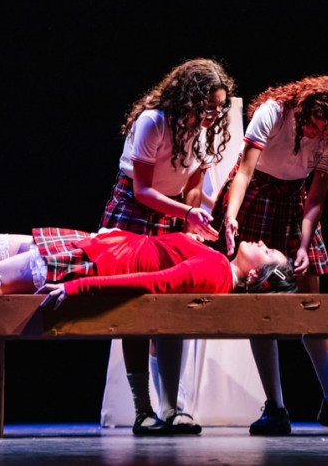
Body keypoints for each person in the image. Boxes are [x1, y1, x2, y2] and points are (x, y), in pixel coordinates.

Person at [0, 228, 298, 413]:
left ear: (259, 275)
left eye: (268, 251)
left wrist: (76, 288)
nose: (261, 242)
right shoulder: (215, 262)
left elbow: (149, 282)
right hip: (99, 247)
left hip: (92, 264)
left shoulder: (214, 270)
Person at [210, 75, 328, 436]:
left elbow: (315, 199)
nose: (319, 132)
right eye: (316, 122)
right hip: (256, 196)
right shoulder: (274, 112)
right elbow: (244, 171)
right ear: (308, 106)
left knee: (311, 304)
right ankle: (275, 406)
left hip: (294, 205)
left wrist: (303, 244)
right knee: (258, 303)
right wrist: (231, 215)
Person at [98, 57, 236, 435]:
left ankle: (173, 407)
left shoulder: (206, 131)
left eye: (219, 108)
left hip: (169, 213)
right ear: (187, 98)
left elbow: (192, 185)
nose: (213, 116)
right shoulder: (153, 122)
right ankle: (143, 410)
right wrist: (186, 213)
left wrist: (194, 222)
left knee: (173, 306)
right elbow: (142, 190)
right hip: (133, 211)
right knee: (136, 310)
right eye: (207, 107)